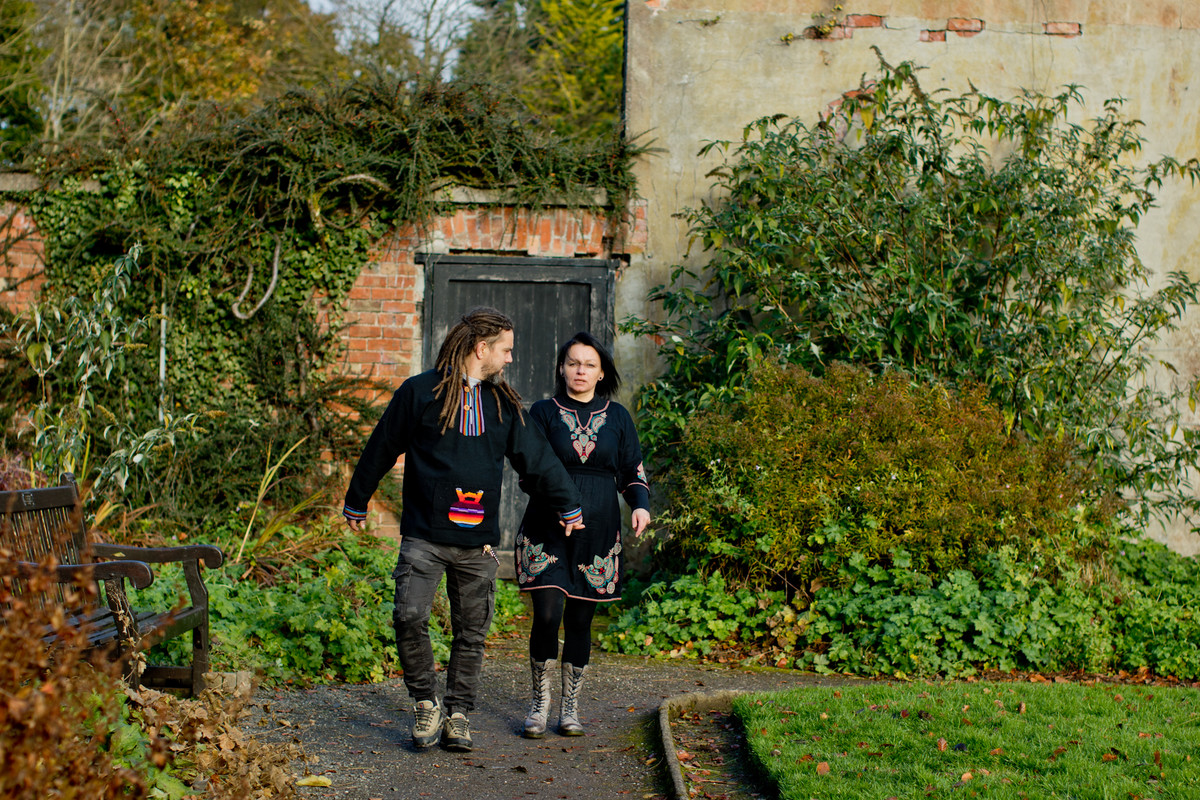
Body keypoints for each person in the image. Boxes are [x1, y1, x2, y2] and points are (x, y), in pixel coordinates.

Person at [343, 307, 585, 753]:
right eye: (506, 350)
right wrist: (357, 498)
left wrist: (568, 504)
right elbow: (382, 445)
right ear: (481, 348)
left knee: (471, 632)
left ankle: (457, 713)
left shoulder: (502, 405)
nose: (510, 359)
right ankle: (424, 702)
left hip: (477, 545)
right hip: (423, 537)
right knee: (409, 615)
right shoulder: (420, 393)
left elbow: (537, 459)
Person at [514, 331, 650, 738]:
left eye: (589, 364)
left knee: (580, 619)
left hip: (599, 533)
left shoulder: (619, 417)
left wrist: (640, 503)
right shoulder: (542, 412)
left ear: (601, 371)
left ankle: (569, 708)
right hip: (547, 527)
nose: (580, 371)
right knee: (548, 613)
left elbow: (631, 470)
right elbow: (529, 469)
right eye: (573, 363)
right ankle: (540, 704)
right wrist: (557, 502)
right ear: (561, 368)